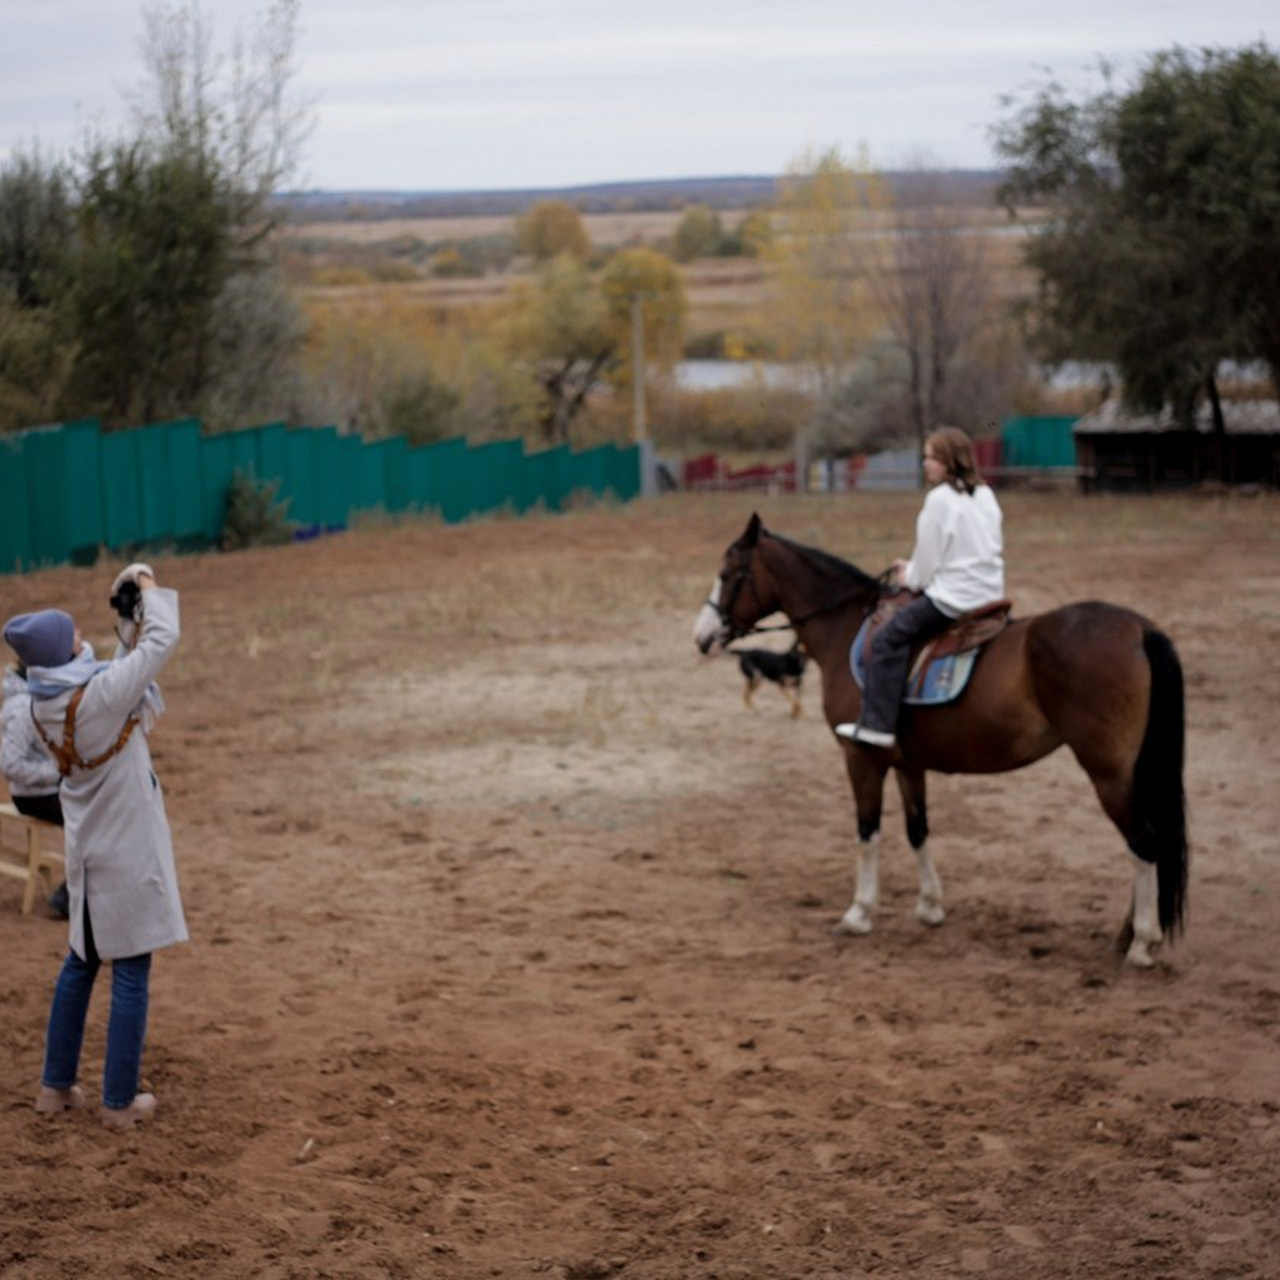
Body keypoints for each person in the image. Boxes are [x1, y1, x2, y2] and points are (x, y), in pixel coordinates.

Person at [3, 562, 187, 1131]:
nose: (82, 635)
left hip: (89, 848)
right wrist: (149, 586)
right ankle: (118, 1102)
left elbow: (118, 673)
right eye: (74, 634)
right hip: (124, 845)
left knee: (81, 961)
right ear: (63, 654)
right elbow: (162, 642)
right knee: (131, 966)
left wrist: (125, 618)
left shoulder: (43, 700)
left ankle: (55, 1087)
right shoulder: (99, 695)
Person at [837, 426, 1005, 750]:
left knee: (887, 638)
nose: (925, 464)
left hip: (953, 599)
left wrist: (906, 575)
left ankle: (877, 725)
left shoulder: (939, 500)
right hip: (990, 594)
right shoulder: (985, 493)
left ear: (948, 461)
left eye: (931, 458)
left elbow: (925, 568)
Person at [2, 658, 70, 917]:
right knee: (96, 820)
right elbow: (9, 764)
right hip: (36, 796)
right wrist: (55, 772)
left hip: (40, 791)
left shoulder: (30, 696)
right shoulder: (23, 706)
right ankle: (70, 896)